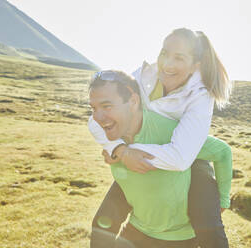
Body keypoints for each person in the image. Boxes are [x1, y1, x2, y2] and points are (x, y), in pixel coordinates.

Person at [89, 28, 232, 248]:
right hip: (139, 149)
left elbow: (182, 157)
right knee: (102, 224)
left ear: (196, 65)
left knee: (209, 231)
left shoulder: (201, 95)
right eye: (164, 53)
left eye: (179, 58)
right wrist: (120, 150)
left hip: (190, 156)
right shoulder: (143, 75)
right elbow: (100, 118)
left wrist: (222, 199)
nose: (167, 64)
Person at [89, 71, 201, 247]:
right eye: (93, 108)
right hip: (137, 218)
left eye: (106, 106)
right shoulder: (111, 129)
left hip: (176, 235)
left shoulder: (168, 128)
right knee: (100, 229)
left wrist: (223, 199)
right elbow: (92, 123)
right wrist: (121, 150)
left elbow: (221, 151)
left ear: (133, 101)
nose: (97, 116)